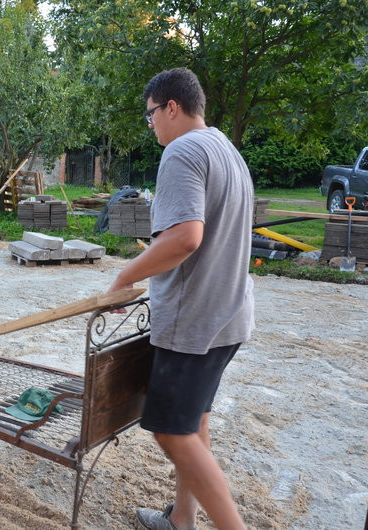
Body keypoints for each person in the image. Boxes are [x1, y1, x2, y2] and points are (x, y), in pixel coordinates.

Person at [107, 68, 254, 530]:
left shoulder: (182, 151)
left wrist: (121, 280)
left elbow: (185, 238)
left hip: (194, 322)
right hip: (228, 316)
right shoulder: (225, 148)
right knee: (195, 421)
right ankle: (182, 521)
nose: (150, 125)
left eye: (151, 115)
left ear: (171, 107)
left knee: (172, 432)